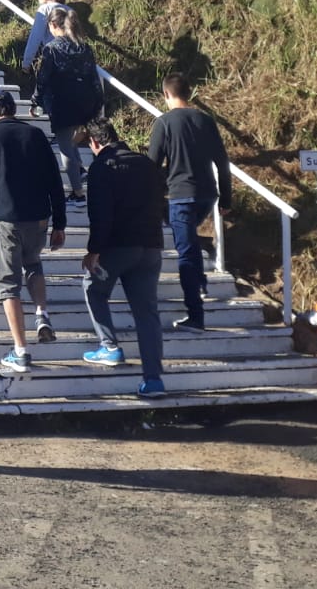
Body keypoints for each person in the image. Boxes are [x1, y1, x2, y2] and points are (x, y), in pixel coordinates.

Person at [0, 89, 65, 374]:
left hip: (7, 218)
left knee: (8, 282)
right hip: (39, 217)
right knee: (34, 264)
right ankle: (42, 313)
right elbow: (54, 180)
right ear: (14, 108)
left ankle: (21, 350)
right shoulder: (36, 136)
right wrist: (60, 223)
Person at [80, 120, 168, 398]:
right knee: (147, 314)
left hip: (118, 246)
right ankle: (153, 379)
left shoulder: (101, 167)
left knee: (93, 288)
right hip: (151, 246)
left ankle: (109, 346)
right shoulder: (147, 164)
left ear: (94, 143)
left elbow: (100, 213)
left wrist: (94, 251)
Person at [147, 73, 232, 332]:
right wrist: (226, 197)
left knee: (185, 253)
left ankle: (195, 316)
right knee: (191, 242)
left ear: (166, 94)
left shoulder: (164, 123)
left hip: (180, 195)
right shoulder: (205, 120)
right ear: (189, 92)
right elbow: (222, 161)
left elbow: (152, 165)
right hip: (207, 194)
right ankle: (201, 280)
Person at [32, 6, 104, 203]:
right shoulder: (84, 47)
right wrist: (98, 103)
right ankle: (87, 175)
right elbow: (94, 78)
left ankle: (78, 192)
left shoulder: (52, 49)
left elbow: (43, 79)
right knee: (80, 144)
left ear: (54, 25)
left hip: (63, 103)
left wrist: (36, 100)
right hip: (87, 101)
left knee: (65, 147)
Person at [20, 0, 66, 108]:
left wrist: (26, 62)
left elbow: (35, 37)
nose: (39, 2)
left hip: (53, 58)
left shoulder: (45, 9)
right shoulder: (70, 10)